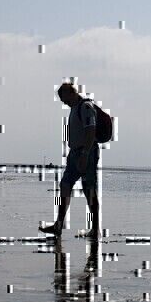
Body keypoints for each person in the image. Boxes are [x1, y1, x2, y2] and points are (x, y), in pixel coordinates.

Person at [40, 82, 101, 240]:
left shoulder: (86, 107)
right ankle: (58, 225)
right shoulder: (75, 108)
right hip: (74, 153)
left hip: (87, 153)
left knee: (89, 190)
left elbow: (91, 131)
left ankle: (95, 229)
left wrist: (85, 154)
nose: (63, 102)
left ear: (71, 93)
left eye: (64, 98)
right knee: (65, 184)